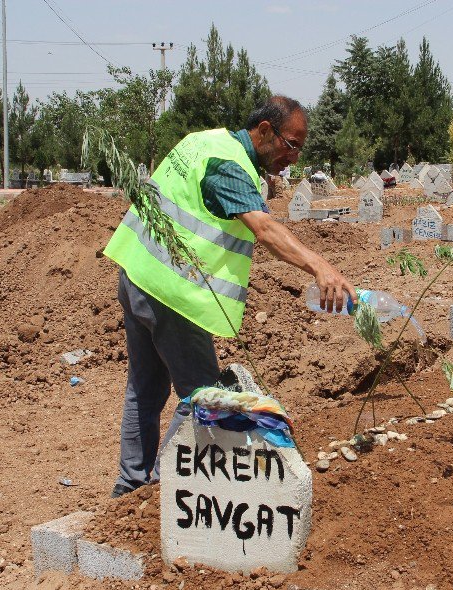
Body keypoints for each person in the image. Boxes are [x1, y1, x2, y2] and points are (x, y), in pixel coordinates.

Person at [103, 96, 357, 498]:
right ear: (264, 132)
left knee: (145, 389)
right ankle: (161, 488)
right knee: (203, 396)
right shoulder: (230, 167)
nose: (294, 157)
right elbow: (266, 230)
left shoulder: (204, 142)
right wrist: (320, 267)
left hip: (136, 272)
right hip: (174, 294)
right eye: (291, 145)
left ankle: (129, 485)